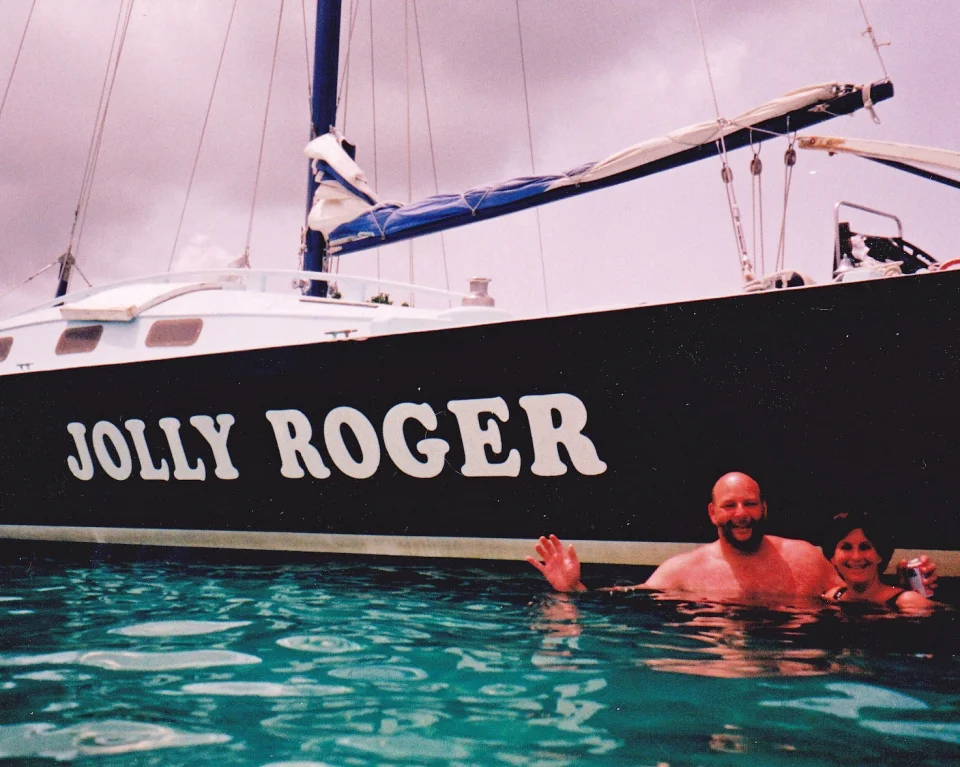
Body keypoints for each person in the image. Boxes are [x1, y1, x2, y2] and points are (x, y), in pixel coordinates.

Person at [527, 471, 845, 601]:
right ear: (712, 513)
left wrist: (895, 592)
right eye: (729, 505)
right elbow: (629, 599)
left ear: (764, 508)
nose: (740, 514)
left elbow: (855, 598)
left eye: (749, 503)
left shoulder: (803, 558)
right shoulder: (684, 570)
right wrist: (573, 588)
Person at [820, 511, 934, 612]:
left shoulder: (908, 602)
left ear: (880, 555)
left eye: (865, 547)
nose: (856, 557)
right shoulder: (834, 596)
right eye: (846, 547)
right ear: (832, 557)